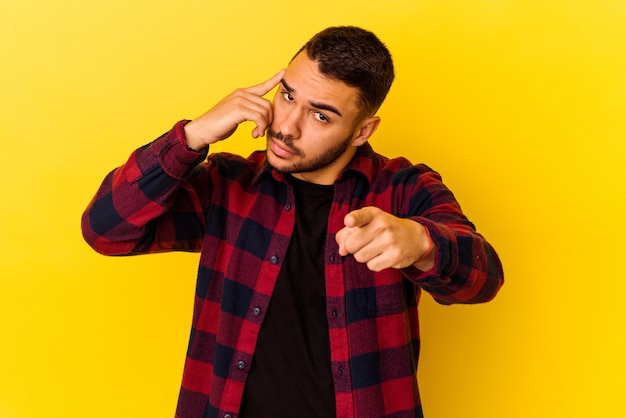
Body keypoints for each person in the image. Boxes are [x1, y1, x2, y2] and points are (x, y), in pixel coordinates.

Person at [82, 26, 504, 418]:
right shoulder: (229, 185)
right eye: (287, 96)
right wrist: (191, 137)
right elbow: (105, 231)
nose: (286, 127)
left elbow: (483, 279)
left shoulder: (403, 189)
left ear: (362, 130)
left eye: (320, 116)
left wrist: (423, 243)